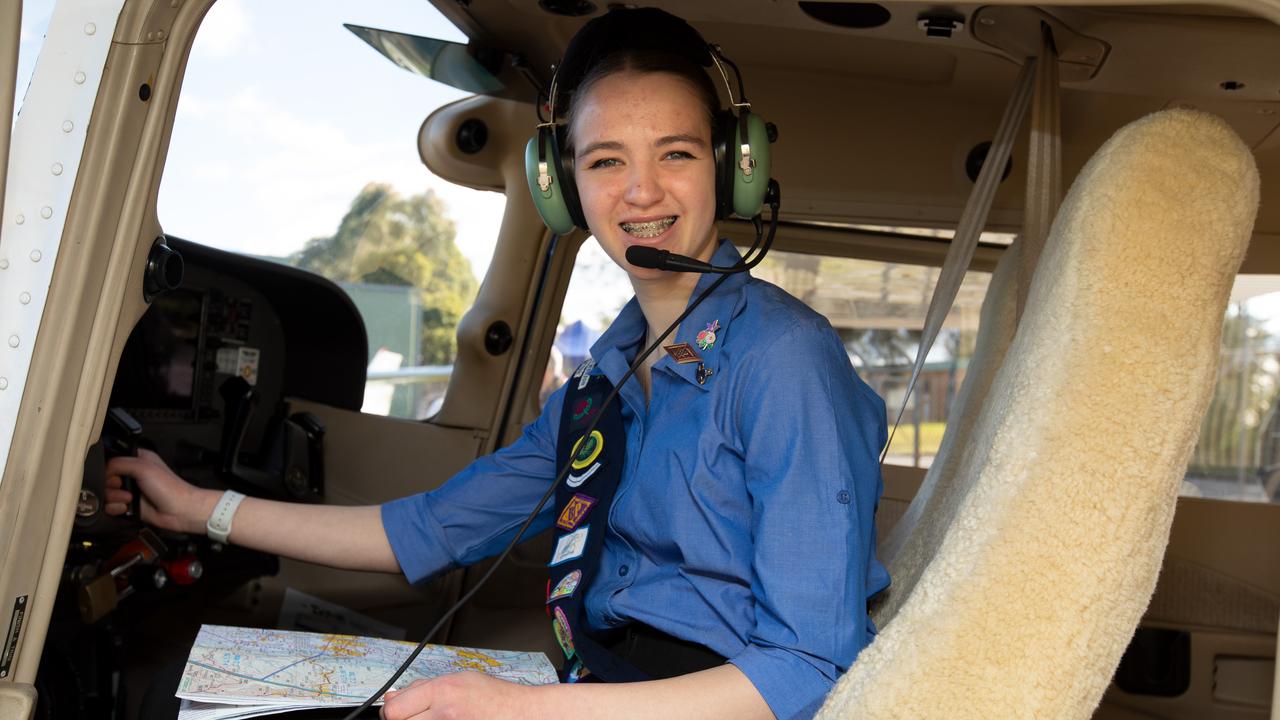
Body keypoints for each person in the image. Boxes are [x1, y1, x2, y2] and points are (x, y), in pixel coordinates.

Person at [106, 8, 889, 719]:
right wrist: (199, 509)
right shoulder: (604, 379)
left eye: (676, 153)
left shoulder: (784, 360)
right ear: (565, 188)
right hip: (610, 681)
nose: (642, 189)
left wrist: (524, 710)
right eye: (607, 161)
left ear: (729, 166)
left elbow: (807, 666)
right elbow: (432, 528)